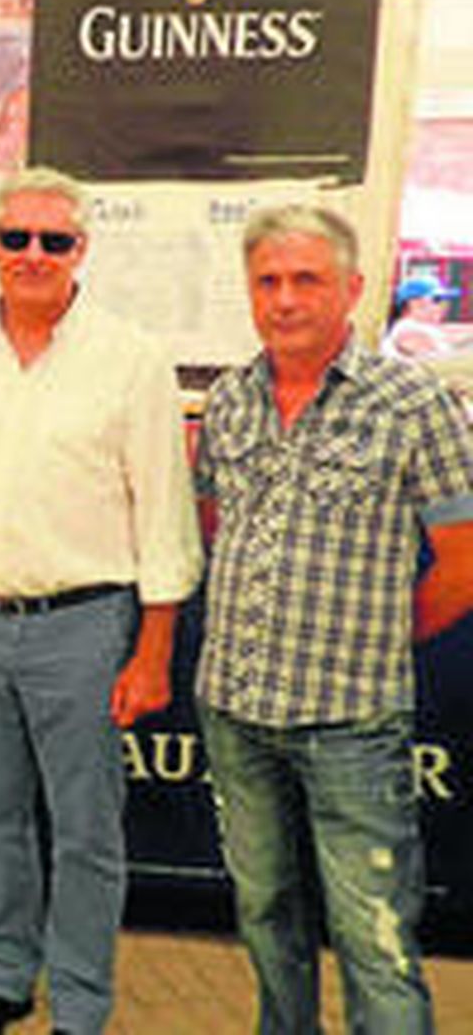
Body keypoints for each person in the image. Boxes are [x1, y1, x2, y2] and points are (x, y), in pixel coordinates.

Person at [0, 168, 202, 1035]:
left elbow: (164, 513)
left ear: (82, 250)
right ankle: (7, 976)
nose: (33, 254)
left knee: (84, 831)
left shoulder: (131, 358)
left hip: (80, 630)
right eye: (16, 238)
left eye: (54, 240)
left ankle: (78, 1002)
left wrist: (152, 652)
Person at [194, 205, 473, 1034]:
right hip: (235, 709)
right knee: (264, 910)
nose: (285, 299)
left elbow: (463, 563)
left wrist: (380, 636)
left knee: (373, 933)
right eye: (268, 281)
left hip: (351, 721)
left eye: (306, 279)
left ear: (352, 289)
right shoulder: (230, 400)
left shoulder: (413, 403)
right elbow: (212, 524)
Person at [380, 275, 459, 361]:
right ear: (415, 303)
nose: (442, 307)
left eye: (445, 301)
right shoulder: (409, 330)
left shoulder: (412, 327)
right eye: (437, 300)